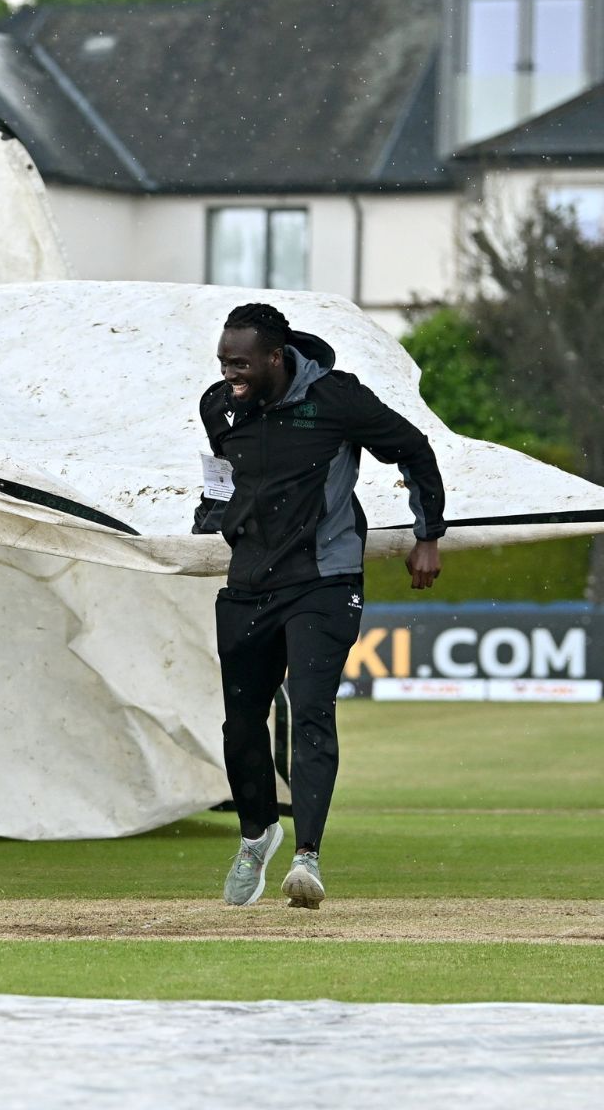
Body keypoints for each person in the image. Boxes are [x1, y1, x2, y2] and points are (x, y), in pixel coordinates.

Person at [194, 303, 445, 910]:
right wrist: (207, 520)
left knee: (310, 712)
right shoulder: (219, 405)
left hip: (325, 581)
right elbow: (222, 475)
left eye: (242, 362)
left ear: (276, 357)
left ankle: (307, 858)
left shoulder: (336, 399)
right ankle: (257, 837)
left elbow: (413, 448)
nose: (231, 372)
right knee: (240, 727)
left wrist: (427, 533)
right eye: (225, 361)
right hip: (249, 582)